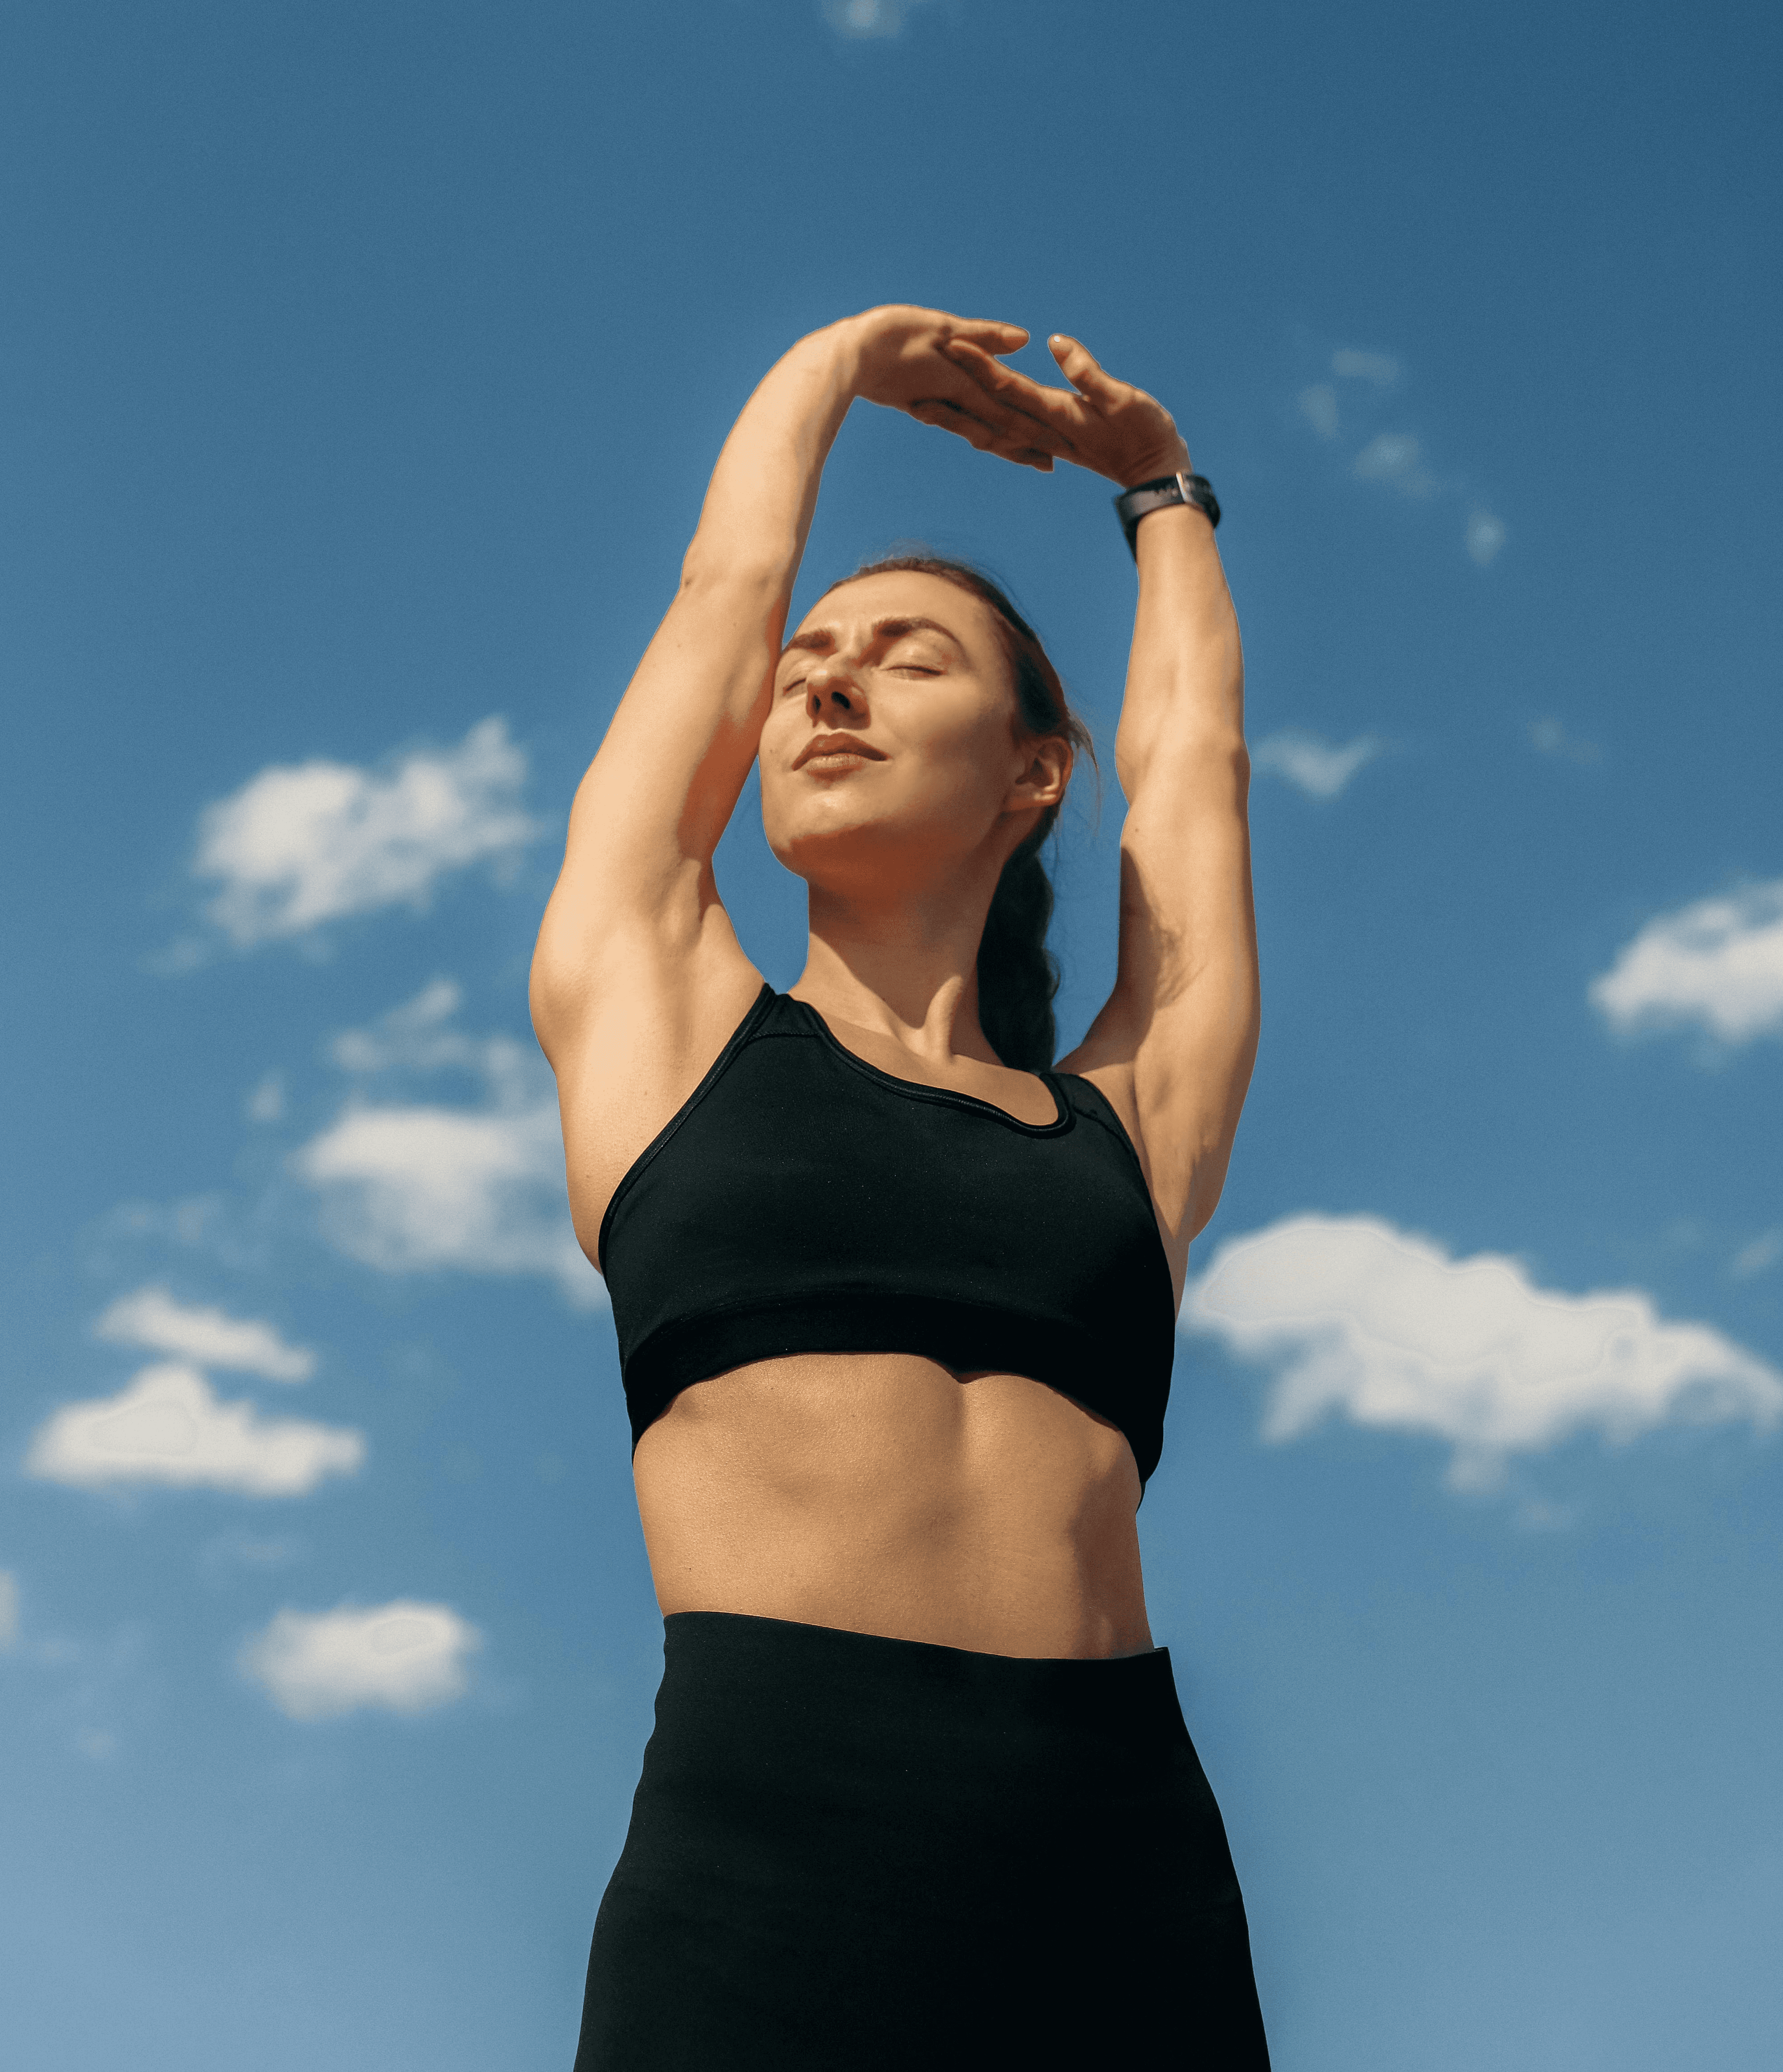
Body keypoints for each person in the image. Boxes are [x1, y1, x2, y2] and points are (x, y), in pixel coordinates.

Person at [532, 304, 1265, 2068]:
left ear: (1035, 772)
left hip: (1123, 1872)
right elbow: (727, 603)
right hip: (768, 1862)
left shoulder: (1128, 1127)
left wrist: (1161, 490)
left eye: (907, 657)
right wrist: (830, 371)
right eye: (814, 663)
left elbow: (1195, 789)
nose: (825, 681)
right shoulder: (660, 1017)